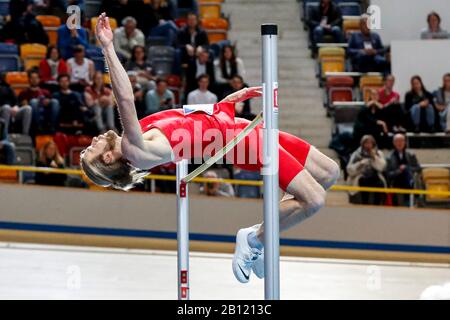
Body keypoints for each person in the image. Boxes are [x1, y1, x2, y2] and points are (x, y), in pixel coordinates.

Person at [80, 13, 341, 284]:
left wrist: (223, 104)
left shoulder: (137, 136)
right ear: (108, 158)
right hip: (240, 143)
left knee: (328, 172)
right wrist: (108, 47)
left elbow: (184, 118)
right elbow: (124, 98)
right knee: (315, 199)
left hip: (234, 124)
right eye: (93, 149)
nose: (94, 140)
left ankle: (260, 235)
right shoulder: (135, 151)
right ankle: (255, 238)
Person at [347, 134, 386, 205]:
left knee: (379, 183)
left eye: (370, 143)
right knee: (362, 182)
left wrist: (374, 158)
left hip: (375, 176)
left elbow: (382, 167)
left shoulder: (378, 153)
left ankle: (377, 204)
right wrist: (360, 164)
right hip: (361, 176)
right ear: (362, 144)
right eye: (366, 143)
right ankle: (364, 204)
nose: (368, 145)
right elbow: (349, 169)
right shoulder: (356, 154)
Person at [18, 69, 60, 134]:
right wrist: (26, 103)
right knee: (34, 102)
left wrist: (48, 101)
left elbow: (51, 103)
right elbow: (23, 105)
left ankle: (53, 127)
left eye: (36, 78)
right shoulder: (24, 92)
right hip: (32, 114)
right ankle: (37, 127)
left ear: (39, 79)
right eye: (32, 78)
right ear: (29, 79)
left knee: (55, 101)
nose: (34, 80)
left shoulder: (46, 92)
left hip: (45, 112)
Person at [385, 134, 420, 206]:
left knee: (406, 171)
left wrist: (406, 168)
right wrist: (399, 171)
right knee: (405, 173)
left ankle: (411, 188)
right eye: (397, 141)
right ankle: (412, 188)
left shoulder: (411, 155)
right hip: (395, 180)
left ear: (405, 142)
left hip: (407, 179)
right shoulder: (389, 157)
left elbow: (418, 168)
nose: (399, 143)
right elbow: (388, 174)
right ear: (394, 143)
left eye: (401, 141)